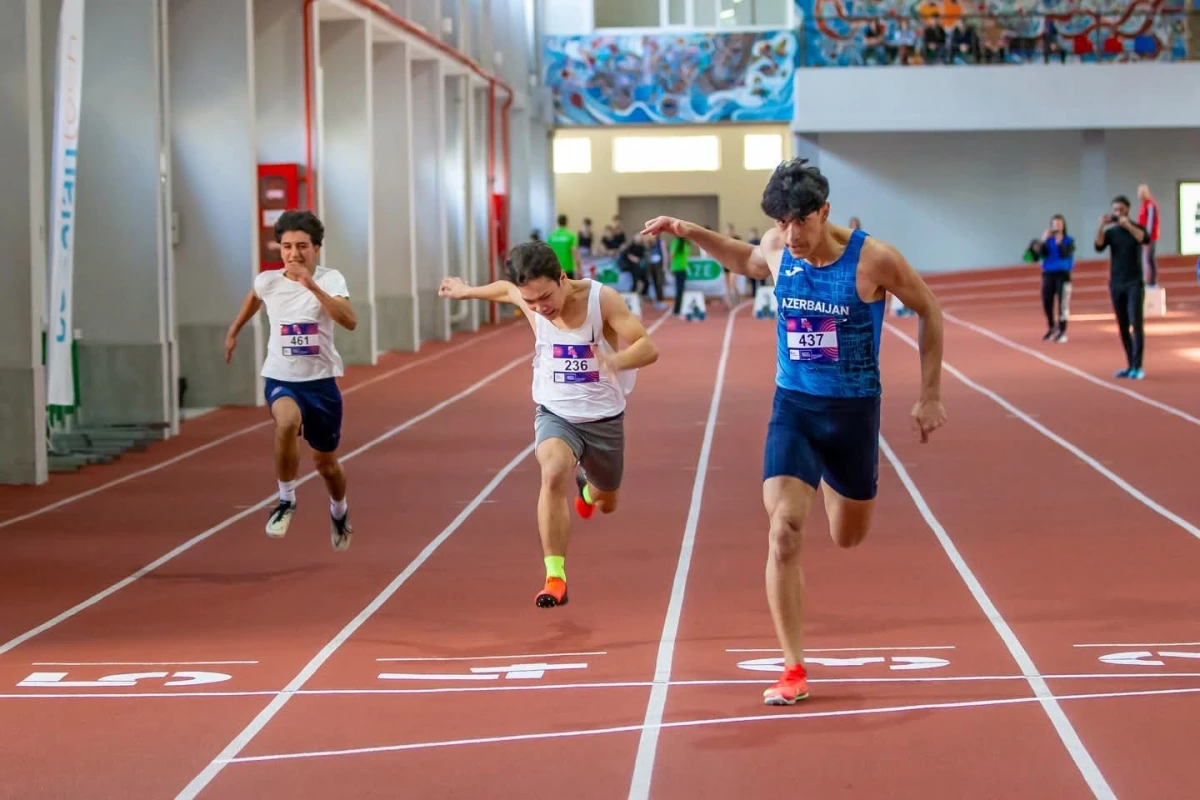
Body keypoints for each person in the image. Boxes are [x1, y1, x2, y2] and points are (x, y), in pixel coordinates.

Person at [641, 158, 947, 706]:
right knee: (783, 531)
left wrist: (929, 394)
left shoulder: (873, 259)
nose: (790, 235)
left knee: (848, 537)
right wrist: (689, 231)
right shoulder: (779, 247)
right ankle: (793, 668)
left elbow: (930, 310)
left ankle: (828, 480)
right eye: (781, 223)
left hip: (853, 416)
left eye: (800, 222)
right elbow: (746, 258)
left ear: (824, 212)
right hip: (795, 409)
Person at [437, 241, 659, 607]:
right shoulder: (530, 301)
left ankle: (587, 491)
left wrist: (616, 361)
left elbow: (647, 347)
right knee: (553, 471)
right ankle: (555, 576)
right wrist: (467, 290)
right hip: (555, 413)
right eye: (531, 302)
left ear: (562, 278)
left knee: (607, 501)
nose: (540, 308)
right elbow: (505, 290)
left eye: (545, 297)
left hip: (603, 418)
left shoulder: (601, 300)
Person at [224, 209, 357, 551]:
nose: (294, 254)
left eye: (302, 246)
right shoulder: (268, 280)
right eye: (286, 246)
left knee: (326, 464)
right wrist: (234, 330)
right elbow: (254, 297)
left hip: (321, 383)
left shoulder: (331, 280)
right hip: (281, 377)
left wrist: (310, 285)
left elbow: (349, 321)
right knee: (285, 423)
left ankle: (339, 510)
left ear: (316, 249)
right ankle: (286, 500)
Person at [1094, 194, 1149, 380]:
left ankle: (1138, 366)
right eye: (1115, 210)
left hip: (1134, 283)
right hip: (1116, 283)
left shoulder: (1137, 228)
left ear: (1128, 210)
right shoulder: (1111, 233)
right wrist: (1101, 226)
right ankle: (1130, 364)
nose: (1118, 213)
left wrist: (1128, 225)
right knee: (1123, 325)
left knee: (1136, 323)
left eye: (1121, 210)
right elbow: (1098, 246)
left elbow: (1144, 239)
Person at [1031, 214, 1074, 343]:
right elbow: (1035, 257)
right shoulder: (1047, 242)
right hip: (1048, 274)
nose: (1057, 227)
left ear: (1063, 226)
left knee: (1063, 304)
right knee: (1047, 301)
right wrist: (1043, 241)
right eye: (1055, 224)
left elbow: (1065, 254)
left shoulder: (1069, 240)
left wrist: (1059, 242)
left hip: (1063, 274)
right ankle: (1051, 327)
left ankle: (1062, 330)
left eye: (1059, 224)